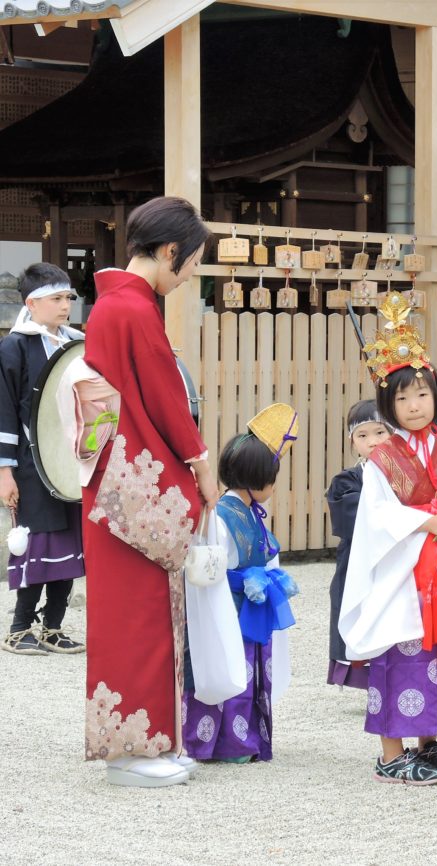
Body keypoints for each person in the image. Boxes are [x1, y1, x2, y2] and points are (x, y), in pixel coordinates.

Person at [83, 196, 217, 788]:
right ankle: (132, 751)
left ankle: (149, 739)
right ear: (169, 252)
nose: (189, 275)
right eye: (189, 264)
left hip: (116, 479)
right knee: (142, 617)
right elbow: (164, 399)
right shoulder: (134, 312)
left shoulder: (113, 306)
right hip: (134, 486)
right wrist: (200, 463)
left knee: (140, 615)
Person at [339, 291, 437, 786]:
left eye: (421, 394)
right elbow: (375, 515)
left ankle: (430, 742)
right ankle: (390, 752)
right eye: (401, 398)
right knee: (401, 653)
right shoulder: (382, 459)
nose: (414, 405)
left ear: (436, 395)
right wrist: (424, 522)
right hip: (402, 570)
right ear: (388, 405)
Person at [182, 406, 299, 763]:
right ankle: (220, 744)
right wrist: (249, 578)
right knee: (231, 670)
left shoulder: (242, 510)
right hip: (232, 609)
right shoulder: (222, 516)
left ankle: (239, 741)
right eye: (271, 478)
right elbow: (213, 567)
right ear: (255, 479)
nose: (274, 486)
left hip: (249, 607)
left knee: (246, 673)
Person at [0, 263, 85, 654]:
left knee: (69, 542)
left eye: (68, 297)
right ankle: (19, 628)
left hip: (69, 461)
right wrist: (5, 471)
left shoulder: (75, 343)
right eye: (56, 298)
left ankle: (53, 627)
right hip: (31, 464)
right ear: (32, 303)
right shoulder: (14, 347)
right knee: (40, 543)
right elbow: (3, 412)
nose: (65, 304)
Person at [326, 400, 391, 690]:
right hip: (358, 563)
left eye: (380, 432)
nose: (372, 442)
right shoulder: (347, 481)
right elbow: (354, 521)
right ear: (352, 443)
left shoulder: (407, 476)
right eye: (362, 436)